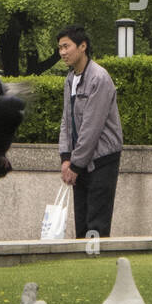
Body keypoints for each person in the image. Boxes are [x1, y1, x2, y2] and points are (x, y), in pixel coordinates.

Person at [56, 25, 123, 239]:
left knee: (96, 224)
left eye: (66, 46)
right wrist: (66, 159)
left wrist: (75, 164)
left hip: (102, 159)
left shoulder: (99, 78)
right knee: (81, 223)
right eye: (60, 48)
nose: (63, 52)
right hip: (79, 161)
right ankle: (84, 266)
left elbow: (91, 127)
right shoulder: (70, 79)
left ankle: (97, 265)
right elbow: (66, 121)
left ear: (82, 46)